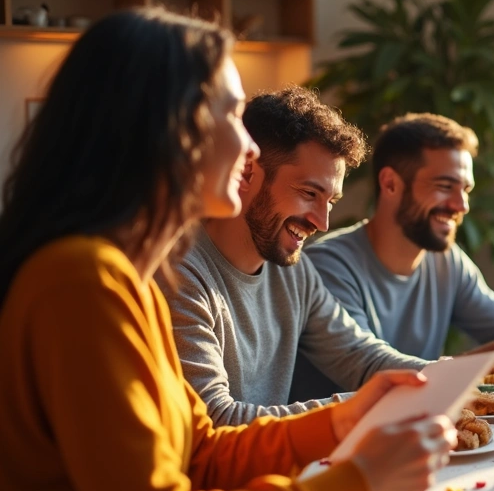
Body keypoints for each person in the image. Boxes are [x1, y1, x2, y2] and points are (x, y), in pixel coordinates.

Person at [0, 9, 454, 491]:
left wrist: (346, 418)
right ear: (169, 127)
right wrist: (357, 485)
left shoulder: (129, 278)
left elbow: (202, 454)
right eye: (232, 117)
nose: (247, 147)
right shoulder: (82, 284)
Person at [162, 85, 432, 426]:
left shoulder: (292, 269)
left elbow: (359, 355)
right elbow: (216, 418)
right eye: (308, 193)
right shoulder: (180, 275)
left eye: (330, 201)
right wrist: (354, 410)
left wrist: (452, 377)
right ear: (247, 173)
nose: (322, 222)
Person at [291, 113, 494, 402]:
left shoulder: (447, 261)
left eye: (465, 190)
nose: (460, 205)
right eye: (444, 186)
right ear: (390, 184)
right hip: (340, 441)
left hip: (416, 429)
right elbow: (371, 376)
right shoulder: (328, 265)